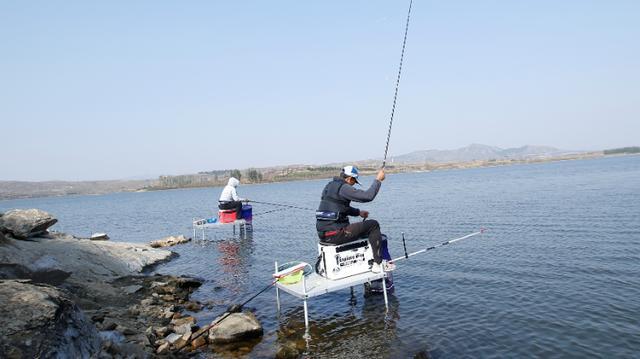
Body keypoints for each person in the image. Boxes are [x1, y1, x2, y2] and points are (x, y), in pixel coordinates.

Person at [316, 165, 395, 273]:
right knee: (373, 225)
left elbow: (340, 207)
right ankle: (378, 264)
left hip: (324, 235)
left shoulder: (329, 186)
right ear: (349, 178)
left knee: (365, 229)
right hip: (336, 235)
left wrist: (358, 212)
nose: (354, 185)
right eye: (354, 182)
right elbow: (368, 196)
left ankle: (370, 257)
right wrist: (378, 180)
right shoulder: (344, 187)